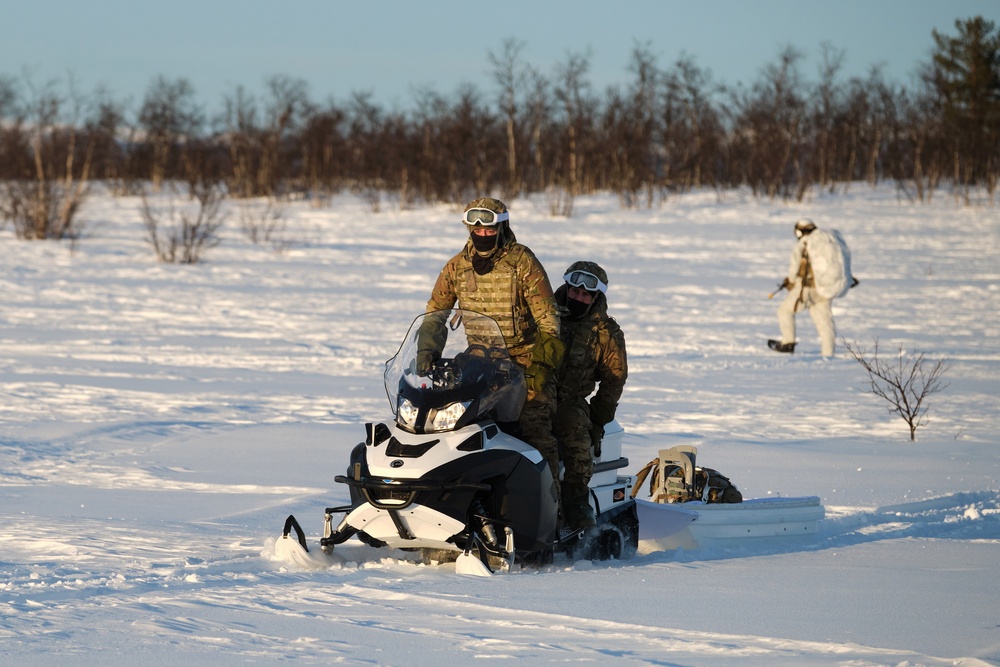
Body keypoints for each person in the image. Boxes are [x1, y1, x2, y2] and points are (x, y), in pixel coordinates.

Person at [425, 197, 564, 482]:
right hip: (479, 360)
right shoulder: (457, 267)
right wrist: (426, 355)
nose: (483, 235)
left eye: (489, 230)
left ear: (501, 229)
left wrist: (541, 367)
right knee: (449, 422)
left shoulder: (522, 262)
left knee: (534, 427)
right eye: (477, 230)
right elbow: (436, 313)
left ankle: (552, 508)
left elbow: (548, 318)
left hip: (524, 361)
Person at [552, 261, 628, 530]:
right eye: (574, 291)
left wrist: (597, 423)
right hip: (530, 396)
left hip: (570, 403)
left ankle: (577, 511)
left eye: (585, 295)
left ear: (596, 297)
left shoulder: (605, 333)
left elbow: (613, 381)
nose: (578, 297)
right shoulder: (542, 314)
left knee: (577, 448)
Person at [770, 218, 850, 357]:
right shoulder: (828, 241)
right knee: (824, 321)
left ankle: (788, 343)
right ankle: (828, 353)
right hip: (824, 287)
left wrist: (790, 281)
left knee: (784, 311)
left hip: (807, 288)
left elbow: (794, 269)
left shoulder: (804, 244)